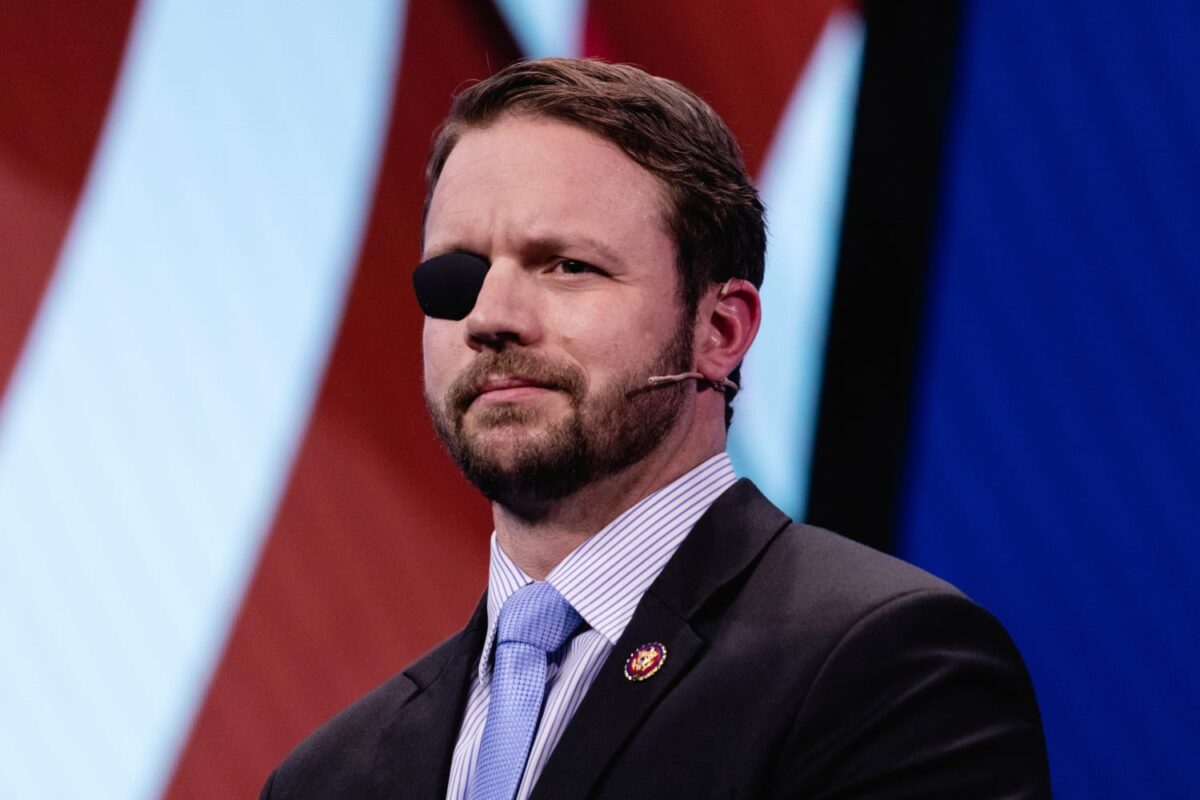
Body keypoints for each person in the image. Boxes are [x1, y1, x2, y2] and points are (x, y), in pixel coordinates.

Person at [261, 58, 1051, 799]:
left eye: (567, 265)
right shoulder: (330, 776)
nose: (490, 317)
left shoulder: (888, 669)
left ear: (720, 330)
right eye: (455, 276)